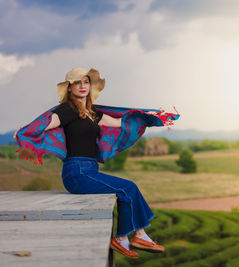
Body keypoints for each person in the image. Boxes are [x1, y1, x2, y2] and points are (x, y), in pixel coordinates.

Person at [14, 67, 173, 259]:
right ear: (69, 88)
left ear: (90, 86)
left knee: (128, 189)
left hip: (90, 170)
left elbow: (119, 122)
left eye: (86, 82)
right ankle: (131, 236)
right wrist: (25, 132)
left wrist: (151, 117)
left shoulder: (92, 113)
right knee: (128, 188)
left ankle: (133, 236)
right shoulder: (67, 110)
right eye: (77, 82)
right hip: (76, 172)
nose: (82, 86)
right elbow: (48, 122)